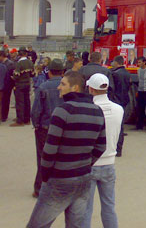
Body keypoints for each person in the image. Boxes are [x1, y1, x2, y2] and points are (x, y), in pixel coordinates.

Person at [26, 71, 106, 228]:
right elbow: (101, 146)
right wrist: (86, 164)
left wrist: (46, 175)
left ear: (75, 88)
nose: (58, 87)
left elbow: (49, 150)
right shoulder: (97, 111)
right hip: (83, 178)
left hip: (60, 178)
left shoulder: (63, 110)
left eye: (63, 84)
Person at [83, 73, 123, 228]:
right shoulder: (118, 109)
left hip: (90, 164)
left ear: (91, 89)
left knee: (86, 209)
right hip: (109, 163)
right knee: (109, 207)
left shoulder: (88, 110)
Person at [30, 59, 65, 198]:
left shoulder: (43, 87)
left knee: (43, 158)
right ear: (62, 72)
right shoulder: (67, 86)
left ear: (49, 72)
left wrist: (36, 125)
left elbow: (36, 111)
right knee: (60, 158)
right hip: (62, 128)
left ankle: (40, 188)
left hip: (45, 128)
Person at [111, 55, 131, 156]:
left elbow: (112, 89)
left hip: (115, 101)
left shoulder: (114, 74)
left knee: (114, 126)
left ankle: (114, 148)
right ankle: (119, 149)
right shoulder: (127, 74)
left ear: (116, 62)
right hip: (124, 101)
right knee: (121, 126)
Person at [10, 46, 34, 127]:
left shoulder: (19, 63)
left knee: (20, 103)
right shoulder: (30, 62)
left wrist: (12, 77)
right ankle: (27, 119)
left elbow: (16, 75)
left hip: (19, 85)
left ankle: (20, 120)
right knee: (27, 101)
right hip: (27, 84)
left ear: (19, 53)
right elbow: (32, 74)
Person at [0, 50, 15, 122]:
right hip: (4, 85)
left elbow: (11, 76)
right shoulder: (4, 63)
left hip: (7, 86)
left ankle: (4, 116)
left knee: (5, 101)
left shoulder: (10, 64)